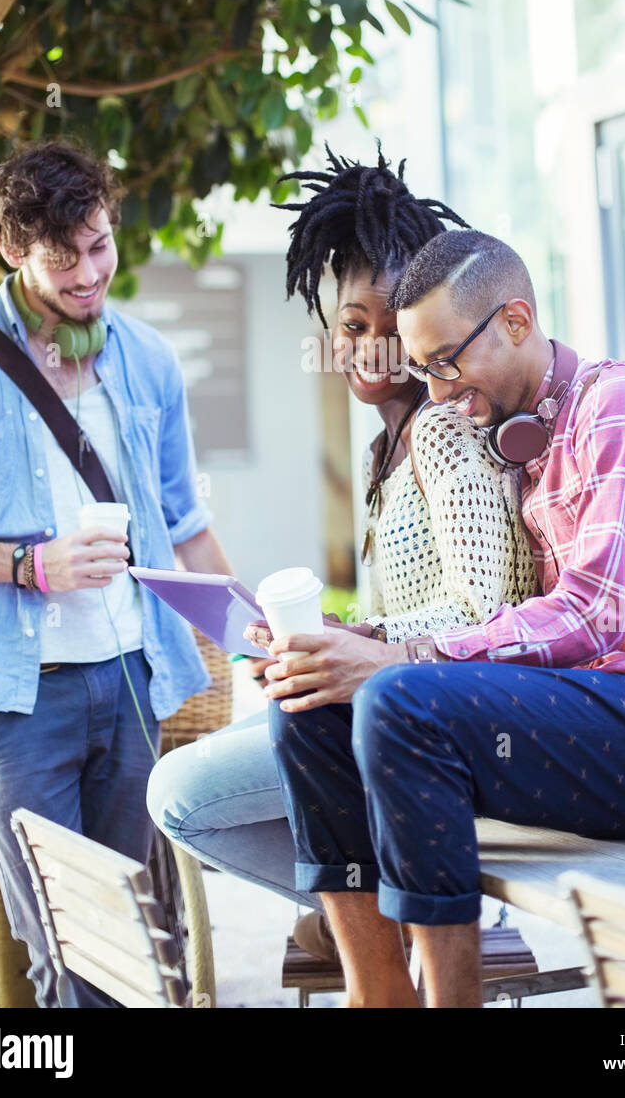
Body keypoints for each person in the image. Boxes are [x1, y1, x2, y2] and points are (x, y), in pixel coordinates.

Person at [266, 228, 625, 1008]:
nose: (435, 392)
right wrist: (357, 644)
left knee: (398, 699)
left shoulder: (623, 406)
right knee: (307, 700)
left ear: (515, 320)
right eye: (423, 369)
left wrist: (408, 657)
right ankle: (379, 995)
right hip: (597, 715)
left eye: (446, 362)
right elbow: (519, 619)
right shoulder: (520, 442)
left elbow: (593, 614)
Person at [146, 151, 539, 960]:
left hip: (444, 718)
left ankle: (368, 925)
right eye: (351, 327)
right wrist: (334, 633)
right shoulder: (383, 449)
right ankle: (367, 921)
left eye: (392, 329)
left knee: (179, 794)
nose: (368, 351)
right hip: (387, 707)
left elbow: (488, 610)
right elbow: (414, 607)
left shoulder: (443, 431)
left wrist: (360, 641)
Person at [0, 142, 232, 1008]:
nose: (89, 273)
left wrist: (254, 634)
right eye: (64, 259)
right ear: (13, 251)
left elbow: (186, 524)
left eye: (100, 246)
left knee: (127, 945)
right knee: (64, 950)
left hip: (134, 679)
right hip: (16, 703)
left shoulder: (147, 359)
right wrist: (29, 565)